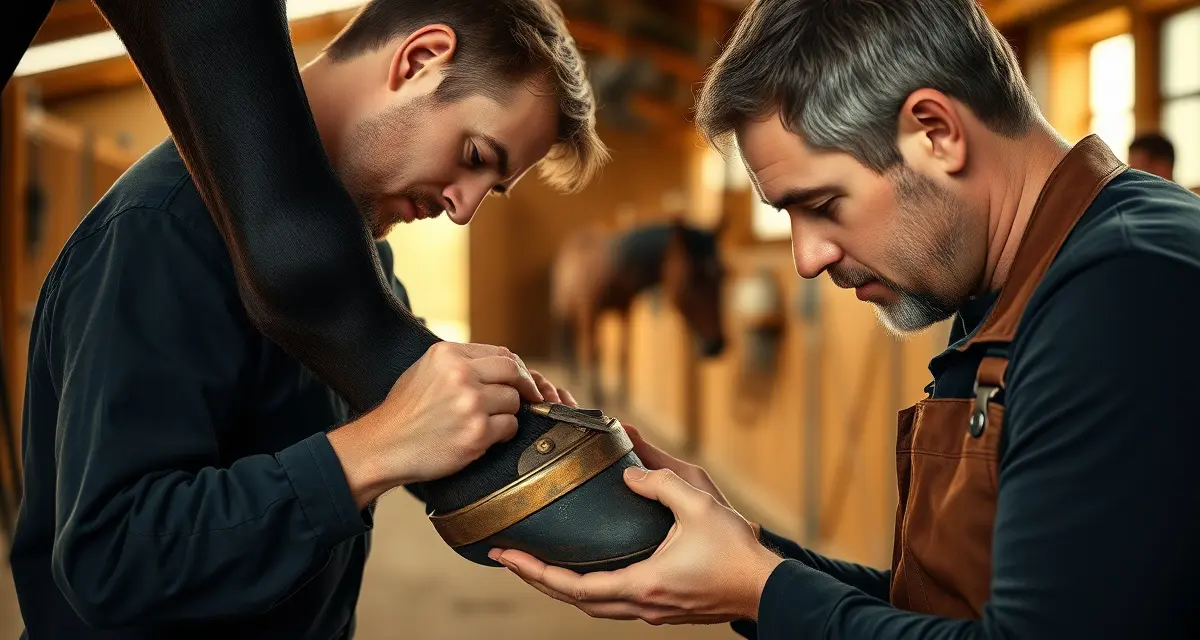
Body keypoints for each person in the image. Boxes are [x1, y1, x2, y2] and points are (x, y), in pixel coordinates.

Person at [491, 0, 1200, 637]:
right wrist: (746, 556)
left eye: (823, 205)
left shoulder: (1127, 290)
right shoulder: (1015, 284)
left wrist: (763, 589)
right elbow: (947, 614)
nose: (806, 258)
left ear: (936, 132)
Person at [9, 1, 604, 637]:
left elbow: (420, 420)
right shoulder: (160, 235)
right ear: (420, 59)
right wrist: (375, 451)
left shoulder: (364, 258)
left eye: (493, 185)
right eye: (475, 155)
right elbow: (114, 559)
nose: (464, 210)